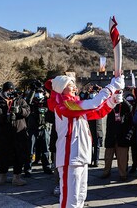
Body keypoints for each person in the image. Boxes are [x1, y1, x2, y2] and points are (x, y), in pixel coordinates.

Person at [45, 74, 124, 208]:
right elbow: (93, 103)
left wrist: (112, 102)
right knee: (70, 199)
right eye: (71, 86)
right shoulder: (63, 105)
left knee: (80, 196)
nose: (75, 88)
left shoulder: (75, 106)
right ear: (61, 88)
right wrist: (112, 87)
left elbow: (98, 111)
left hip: (81, 156)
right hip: (69, 158)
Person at [0, 82, 31, 186]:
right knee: (2, 155)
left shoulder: (20, 100)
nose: (10, 92)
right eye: (8, 90)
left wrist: (19, 111)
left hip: (18, 133)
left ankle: (16, 177)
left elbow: (28, 111)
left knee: (19, 154)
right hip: (4, 134)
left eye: (11, 90)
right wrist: (6, 117)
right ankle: (2, 176)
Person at [101, 95, 133, 181]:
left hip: (121, 135)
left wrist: (121, 98)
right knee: (108, 156)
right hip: (111, 134)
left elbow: (130, 108)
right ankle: (106, 171)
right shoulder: (110, 105)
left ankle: (123, 174)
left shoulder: (125, 107)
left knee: (122, 157)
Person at [25, 87, 53, 176]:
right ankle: (27, 169)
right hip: (33, 128)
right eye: (37, 92)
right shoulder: (32, 102)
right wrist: (33, 90)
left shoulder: (46, 102)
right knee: (30, 149)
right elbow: (27, 101)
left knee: (45, 149)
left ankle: (47, 167)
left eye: (41, 92)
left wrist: (48, 94)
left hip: (44, 128)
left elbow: (52, 101)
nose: (39, 94)